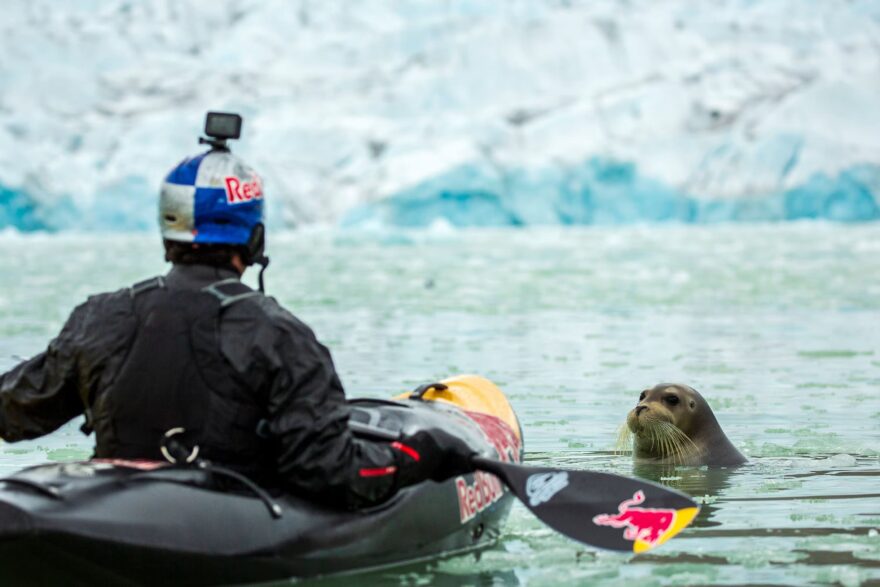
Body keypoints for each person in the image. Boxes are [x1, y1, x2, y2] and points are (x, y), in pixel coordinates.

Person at [0, 114, 475, 508]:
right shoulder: (278, 334)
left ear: (169, 234)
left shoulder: (100, 317)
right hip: (221, 524)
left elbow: (15, 413)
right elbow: (327, 470)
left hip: (111, 512)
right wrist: (416, 457)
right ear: (253, 238)